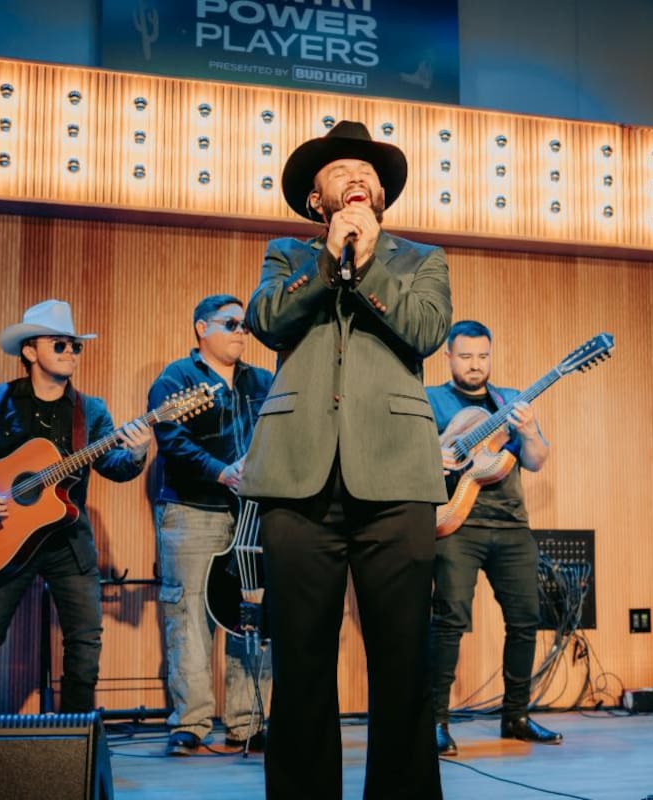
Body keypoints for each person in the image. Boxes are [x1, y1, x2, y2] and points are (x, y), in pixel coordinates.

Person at [239, 121, 451, 800]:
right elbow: (266, 321)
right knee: (300, 663)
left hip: (395, 477)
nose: (356, 178)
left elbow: (424, 329)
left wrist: (367, 261)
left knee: (403, 664)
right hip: (296, 479)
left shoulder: (421, 259)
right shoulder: (287, 256)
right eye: (339, 173)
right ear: (314, 202)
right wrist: (330, 263)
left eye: (368, 172)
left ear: (383, 195)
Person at [0, 299, 151, 714]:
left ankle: (76, 745)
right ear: (30, 351)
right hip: (4, 536)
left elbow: (114, 467)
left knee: (85, 647)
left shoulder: (91, 411)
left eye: (75, 346)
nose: (70, 353)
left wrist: (138, 453)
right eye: (60, 345)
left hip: (68, 542)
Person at [426, 320, 564, 755]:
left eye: (483, 356)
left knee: (525, 621)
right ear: (448, 356)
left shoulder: (510, 401)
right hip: (454, 523)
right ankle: (436, 722)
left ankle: (517, 716)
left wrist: (527, 430)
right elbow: (405, 455)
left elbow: (538, 460)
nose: (475, 365)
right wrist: (438, 457)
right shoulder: (430, 401)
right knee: (449, 622)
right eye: (465, 356)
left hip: (511, 526)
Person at [147, 293, 274, 755]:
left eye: (246, 325)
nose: (242, 331)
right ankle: (192, 723)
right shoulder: (175, 380)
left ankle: (248, 722)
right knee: (189, 616)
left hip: (252, 515)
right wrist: (221, 471)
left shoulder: (264, 381)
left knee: (251, 616)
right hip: (192, 509)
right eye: (231, 323)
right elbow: (172, 441)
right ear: (202, 328)